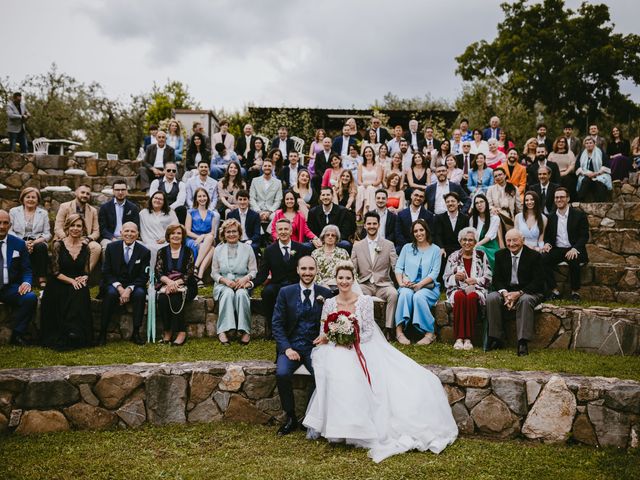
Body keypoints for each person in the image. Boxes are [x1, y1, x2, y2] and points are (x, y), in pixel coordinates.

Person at [303, 260, 458, 461]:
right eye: (340, 278)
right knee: (334, 367)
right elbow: (324, 329)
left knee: (353, 371)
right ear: (336, 280)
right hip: (336, 347)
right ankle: (338, 427)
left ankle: (356, 426)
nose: (344, 282)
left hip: (361, 347)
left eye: (347, 278)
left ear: (353, 279)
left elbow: (367, 332)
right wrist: (333, 337)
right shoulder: (330, 303)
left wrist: (349, 336)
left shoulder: (364, 301)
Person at [272, 256, 334, 436]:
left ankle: (310, 416)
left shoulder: (326, 293)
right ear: (298, 270)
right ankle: (290, 417)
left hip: (314, 348)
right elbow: (277, 324)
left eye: (311, 269)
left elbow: (331, 322)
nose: (307, 273)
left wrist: (325, 336)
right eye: (304, 269)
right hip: (290, 345)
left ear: (316, 271)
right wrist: (287, 348)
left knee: (321, 375)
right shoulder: (285, 292)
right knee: (282, 374)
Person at [486, 229, 545, 356]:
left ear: (522, 240)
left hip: (528, 291)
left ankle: (522, 342)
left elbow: (538, 281)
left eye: (515, 240)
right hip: (507, 291)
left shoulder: (534, 256)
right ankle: (496, 338)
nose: (511, 244)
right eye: (508, 240)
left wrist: (519, 293)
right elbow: (497, 279)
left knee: (525, 300)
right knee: (491, 297)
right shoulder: (500, 255)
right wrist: (505, 294)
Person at [40, 214, 93, 351]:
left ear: (83, 229)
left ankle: (75, 332)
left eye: (79, 226)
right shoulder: (58, 245)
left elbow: (86, 270)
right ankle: (65, 332)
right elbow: (55, 271)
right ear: (67, 227)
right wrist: (71, 281)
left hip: (76, 279)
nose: (75, 228)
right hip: (59, 281)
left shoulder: (86, 248)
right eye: (72, 225)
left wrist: (85, 278)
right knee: (66, 292)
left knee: (81, 291)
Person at [254, 218, 309, 337]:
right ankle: (273, 328)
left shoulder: (301, 248)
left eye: (286, 229)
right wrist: (251, 284)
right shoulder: (269, 251)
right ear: (276, 231)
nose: (283, 232)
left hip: (296, 283)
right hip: (277, 284)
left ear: (290, 231)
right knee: (267, 292)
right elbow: (263, 273)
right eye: (280, 229)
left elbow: (307, 269)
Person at [99, 222, 150, 346]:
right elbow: (106, 272)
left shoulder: (144, 251)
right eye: (126, 231)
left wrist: (129, 289)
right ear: (121, 233)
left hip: (134, 285)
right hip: (114, 284)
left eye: (133, 231)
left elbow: (143, 276)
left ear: (137, 234)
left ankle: (136, 332)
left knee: (140, 294)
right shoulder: (111, 248)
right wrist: (120, 288)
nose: (129, 234)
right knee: (110, 294)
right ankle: (102, 333)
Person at [443, 227, 492, 350]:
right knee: (459, 296)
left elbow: (488, 277)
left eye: (470, 240)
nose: (467, 243)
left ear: (475, 242)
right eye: (464, 240)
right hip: (457, 288)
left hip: (477, 289)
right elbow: (446, 279)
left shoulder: (481, 255)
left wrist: (476, 280)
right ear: (460, 241)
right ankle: (459, 338)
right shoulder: (454, 256)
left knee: (471, 297)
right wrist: (455, 277)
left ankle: (468, 338)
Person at [351, 212, 398, 339]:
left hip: (383, 284)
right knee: (357, 295)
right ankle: (361, 327)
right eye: (369, 223)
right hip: (365, 284)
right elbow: (353, 269)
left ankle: (389, 329)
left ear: (379, 225)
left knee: (393, 294)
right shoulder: (357, 246)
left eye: (374, 224)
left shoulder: (388, 245)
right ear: (364, 226)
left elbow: (396, 266)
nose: (372, 226)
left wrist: (402, 280)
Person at [395, 219, 441, 346]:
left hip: (428, 286)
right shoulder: (406, 248)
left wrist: (419, 285)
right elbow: (399, 267)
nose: (419, 233)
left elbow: (434, 273)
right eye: (415, 231)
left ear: (426, 231)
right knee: (404, 294)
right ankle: (399, 331)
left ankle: (429, 333)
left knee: (418, 297)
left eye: (421, 230)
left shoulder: (435, 250)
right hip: (408, 285)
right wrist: (401, 282)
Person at [212, 219, 257, 345]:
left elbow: (253, 271)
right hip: (223, 284)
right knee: (228, 294)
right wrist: (225, 281)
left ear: (239, 233)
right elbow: (214, 273)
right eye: (228, 232)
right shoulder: (218, 249)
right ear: (224, 234)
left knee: (242, 295)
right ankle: (223, 330)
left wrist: (245, 279)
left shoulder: (248, 249)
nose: (231, 234)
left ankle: (245, 330)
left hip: (242, 283)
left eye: (234, 231)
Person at [541, 187, 589, 302]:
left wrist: (575, 248)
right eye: (556, 197)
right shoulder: (551, 217)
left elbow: (584, 236)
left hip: (573, 248)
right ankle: (554, 290)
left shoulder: (579, 215)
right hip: (557, 249)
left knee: (574, 258)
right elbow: (547, 236)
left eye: (562, 197)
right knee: (542, 258)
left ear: (568, 198)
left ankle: (575, 292)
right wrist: (547, 244)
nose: (559, 199)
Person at [155, 224, 197, 346]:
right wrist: (169, 283)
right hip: (166, 284)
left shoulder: (188, 251)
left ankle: (181, 331)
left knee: (175, 298)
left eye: (179, 233)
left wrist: (175, 284)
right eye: (173, 233)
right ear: (168, 236)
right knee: (163, 299)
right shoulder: (161, 252)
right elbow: (158, 272)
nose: (176, 236)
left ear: (183, 236)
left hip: (186, 284)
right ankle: (167, 331)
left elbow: (189, 273)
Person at [0, 209, 37, 346]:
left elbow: (27, 269)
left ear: (10, 225)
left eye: (5, 223)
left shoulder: (19, 244)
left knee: (30, 297)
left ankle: (17, 334)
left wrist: (27, 282)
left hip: (10, 287)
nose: (2, 226)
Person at [9, 187, 51, 288]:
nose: (30, 199)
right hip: (18, 239)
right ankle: (18, 278)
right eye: (28, 197)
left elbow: (47, 234)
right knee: (19, 248)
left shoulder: (43, 213)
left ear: (38, 200)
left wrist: (34, 242)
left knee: (41, 247)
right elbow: (10, 230)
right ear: (23, 198)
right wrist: (22, 243)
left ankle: (42, 278)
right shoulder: (14, 211)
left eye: (33, 197)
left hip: (36, 240)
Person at [55, 184, 101, 272]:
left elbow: (96, 231)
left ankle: (84, 275)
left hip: (84, 239)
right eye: (82, 192)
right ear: (76, 193)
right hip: (66, 237)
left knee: (96, 247)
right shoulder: (65, 206)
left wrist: (88, 239)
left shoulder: (93, 210)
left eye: (88, 194)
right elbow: (58, 227)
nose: (85, 195)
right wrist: (66, 238)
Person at [307, 187, 356, 252]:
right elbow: (311, 230)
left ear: (332, 196)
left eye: (328, 195)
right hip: (319, 241)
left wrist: (331, 241)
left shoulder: (343, 211)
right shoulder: (313, 212)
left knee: (346, 244)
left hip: (337, 241)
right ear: (320, 197)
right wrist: (314, 240)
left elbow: (345, 232)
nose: (325, 197)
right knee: (307, 246)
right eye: (323, 195)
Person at [433, 192, 469, 278]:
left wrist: (463, 249)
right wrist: (441, 248)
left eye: (453, 201)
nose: (450, 203)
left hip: (459, 247)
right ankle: (442, 282)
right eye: (448, 201)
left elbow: (466, 236)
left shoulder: (465, 218)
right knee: (441, 255)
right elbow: (437, 234)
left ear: (458, 202)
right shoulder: (439, 217)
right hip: (445, 248)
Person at [139, 191, 179, 268]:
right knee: (149, 248)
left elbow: (175, 228)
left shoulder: (170, 212)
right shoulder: (143, 213)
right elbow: (142, 230)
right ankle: (152, 275)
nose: (157, 200)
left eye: (160, 199)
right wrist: (149, 241)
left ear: (164, 202)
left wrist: (165, 238)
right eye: (155, 198)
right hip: (149, 241)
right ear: (151, 199)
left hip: (166, 241)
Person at [185, 188, 216, 285]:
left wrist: (203, 236)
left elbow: (212, 233)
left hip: (206, 239)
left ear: (207, 198)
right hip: (192, 239)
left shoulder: (212, 214)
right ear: (196, 199)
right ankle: (200, 275)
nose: (202, 198)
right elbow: (187, 231)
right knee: (212, 249)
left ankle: (196, 267)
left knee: (210, 238)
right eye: (199, 196)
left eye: (204, 196)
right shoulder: (190, 212)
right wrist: (198, 237)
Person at [98, 180, 141, 250]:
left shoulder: (133, 208)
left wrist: (127, 238)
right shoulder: (105, 207)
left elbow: (136, 226)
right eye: (117, 190)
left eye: (123, 190)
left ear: (127, 191)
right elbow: (102, 228)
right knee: (107, 247)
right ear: (113, 191)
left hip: (129, 237)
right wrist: (112, 238)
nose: (120, 192)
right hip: (109, 238)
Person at [311, 224, 352, 291]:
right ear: (323, 237)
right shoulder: (315, 253)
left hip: (340, 286)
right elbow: (313, 272)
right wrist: (323, 285)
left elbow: (350, 269)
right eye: (327, 235)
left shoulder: (343, 252)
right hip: (320, 287)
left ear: (336, 238)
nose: (330, 237)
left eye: (333, 235)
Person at [395, 189, 434, 254]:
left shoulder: (429, 215)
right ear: (411, 196)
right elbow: (398, 233)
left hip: (423, 247)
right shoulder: (401, 214)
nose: (418, 198)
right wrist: (408, 247)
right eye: (416, 195)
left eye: (421, 196)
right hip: (404, 247)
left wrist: (421, 245)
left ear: (424, 199)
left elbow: (430, 233)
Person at [185, 160, 221, 228]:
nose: (204, 168)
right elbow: (188, 199)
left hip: (209, 207)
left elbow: (215, 198)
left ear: (208, 169)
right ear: (198, 168)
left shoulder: (214, 182)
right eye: (201, 167)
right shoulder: (190, 181)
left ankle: (214, 237)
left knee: (216, 215)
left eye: (205, 167)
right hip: (194, 207)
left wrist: (210, 208)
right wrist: (194, 208)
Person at [249, 158, 283, 232]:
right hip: (257, 210)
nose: (267, 167)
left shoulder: (278, 182)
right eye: (265, 166)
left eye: (269, 166)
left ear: (272, 167)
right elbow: (252, 198)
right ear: (262, 167)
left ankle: (268, 235)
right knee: (253, 216)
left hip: (271, 211)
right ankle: (260, 236)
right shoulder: (255, 181)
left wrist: (269, 212)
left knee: (277, 216)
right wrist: (258, 211)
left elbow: (278, 200)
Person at [227, 190, 262, 259]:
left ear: (248, 201)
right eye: (240, 199)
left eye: (245, 199)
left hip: (250, 241)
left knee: (252, 247)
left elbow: (257, 233)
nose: (242, 202)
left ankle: (253, 268)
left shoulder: (255, 215)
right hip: (235, 240)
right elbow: (227, 231)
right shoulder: (231, 215)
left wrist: (250, 241)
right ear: (237, 200)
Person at [469, 194, 501, 270]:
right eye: (476, 203)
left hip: (491, 248)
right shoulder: (473, 219)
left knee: (480, 249)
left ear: (486, 203)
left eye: (481, 202)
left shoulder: (494, 218)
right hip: (477, 247)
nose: (479, 205)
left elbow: (489, 236)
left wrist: (475, 246)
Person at [486, 167, 521, 237]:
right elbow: (488, 204)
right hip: (496, 215)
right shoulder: (491, 189)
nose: (498, 177)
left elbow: (518, 206)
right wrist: (493, 208)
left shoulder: (514, 188)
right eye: (495, 176)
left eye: (500, 175)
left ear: (505, 175)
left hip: (509, 217)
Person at [576, 137, 612, 202]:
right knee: (585, 181)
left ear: (594, 144)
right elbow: (577, 166)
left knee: (600, 183)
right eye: (586, 143)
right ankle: (580, 202)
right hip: (586, 175)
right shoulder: (582, 153)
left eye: (590, 143)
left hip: (599, 174)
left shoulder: (600, 152)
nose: (588, 145)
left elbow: (606, 165)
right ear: (585, 145)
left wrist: (596, 173)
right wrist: (585, 173)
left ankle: (600, 203)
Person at [356, 146, 383, 218]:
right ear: (364, 154)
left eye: (370, 152)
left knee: (370, 189)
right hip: (363, 186)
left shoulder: (378, 165)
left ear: (373, 153)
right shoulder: (361, 166)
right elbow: (359, 180)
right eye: (366, 152)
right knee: (360, 188)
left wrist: (370, 184)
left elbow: (379, 180)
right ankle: (358, 213)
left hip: (375, 186)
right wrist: (363, 184)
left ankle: (367, 211)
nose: (368, 153)